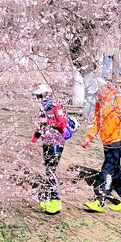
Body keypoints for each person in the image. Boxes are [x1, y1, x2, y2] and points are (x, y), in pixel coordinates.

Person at [82, 83, 121, 213]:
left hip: (118, 141)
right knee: (116, 172)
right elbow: (97, 122)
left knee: (106, 170)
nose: (98, 93)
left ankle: (100, 201)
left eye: (101, 90)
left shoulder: (117, 102)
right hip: (107, 142)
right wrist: (88, 138)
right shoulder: (99, 103)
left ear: (108, 90)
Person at [31, 84, 71, 215]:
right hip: (46, 141)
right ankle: (47, 196)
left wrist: (47, 120)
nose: (37, 98)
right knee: (47, 170)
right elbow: (41, 124)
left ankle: (56, 201)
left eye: (39, 95)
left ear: (46, 94)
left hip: (56, 142)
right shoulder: (43, 107)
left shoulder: (55, 106)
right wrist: (34, 138)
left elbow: (62, 124)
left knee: (51, 170)